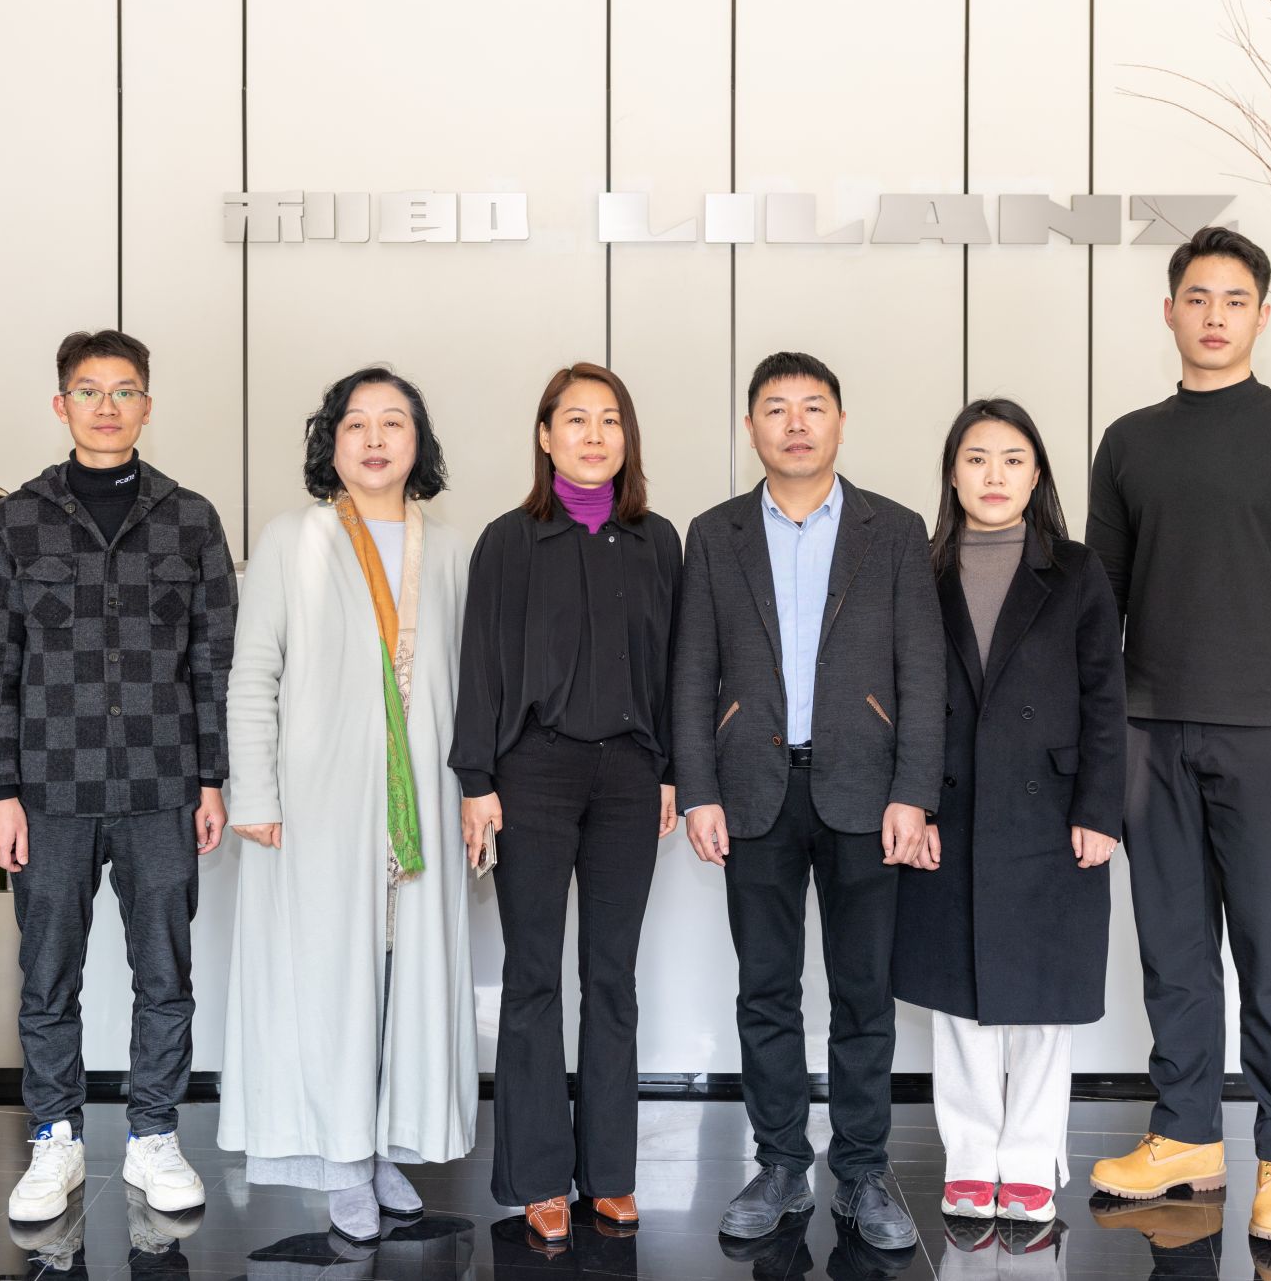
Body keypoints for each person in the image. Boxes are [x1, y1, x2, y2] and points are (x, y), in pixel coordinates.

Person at [1085, 227, 1271, 1247]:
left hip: (1266, 737)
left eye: (1234, 299)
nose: (1214, 315)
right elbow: (1100, 604)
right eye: (1197, 298)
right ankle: (1185, 1136)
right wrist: (1100, 739)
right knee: (1172, 949)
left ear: (1261, 314)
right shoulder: (1127, 442)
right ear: (1168, 311)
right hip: (1146, 733)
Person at [671, 350, 947, 1251]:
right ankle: (782, 1163)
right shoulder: (714, 534)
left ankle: (862, 1171)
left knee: (864, 992)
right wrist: (698, 790)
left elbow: (923, 672)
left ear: (839, 422)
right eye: (777, 407)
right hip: (752, 790)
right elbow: (691, 673)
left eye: (813, 406)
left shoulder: (893, 529)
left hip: (867, 792)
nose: (796, 423)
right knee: (766, 988)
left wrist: (915, 792)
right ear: (751, 425)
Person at [0, 329, 237, 1223]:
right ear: (62, 404)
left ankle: (154, 1133)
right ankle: (56, 1137)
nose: (107, 406)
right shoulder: (16, 522)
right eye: (89, 390)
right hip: (48, 789)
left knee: (166, 971)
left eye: (125, 391)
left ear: (147, 406)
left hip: (162, 784)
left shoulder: (192, 519)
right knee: (48, 974)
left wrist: (212, 777)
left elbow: (213, 662)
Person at [217, 366, 477, 1244]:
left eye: (392, 422)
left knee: (404, 976)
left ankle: (383, 1143)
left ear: (418, 443)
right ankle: (338, 1159)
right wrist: (255, 791)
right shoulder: (293, 537)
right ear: (330, 443)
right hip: (315, 798)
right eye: (355, 422)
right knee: (329, 976)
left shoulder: (448, 549)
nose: (373, 438)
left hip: (421, 795)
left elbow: (470, 683)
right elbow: (254, 671)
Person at [451, 363, 682, 1242]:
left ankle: (611, 1173)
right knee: (534, 973)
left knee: (612, 975)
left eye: (609, 419)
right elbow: (479, 666)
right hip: (533, 775)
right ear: (545, 437)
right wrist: (477, 780)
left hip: (629, 777)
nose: (593, 434)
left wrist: (671, 773)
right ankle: (541, 1175)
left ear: (628, 438)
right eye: (574, 419)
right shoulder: (509, 540)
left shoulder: (658, 541)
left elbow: (676, 667)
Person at [892, 399, 1126, 1226]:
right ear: (952, 473)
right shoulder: (919, 570)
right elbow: (899, 696)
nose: (994, 475)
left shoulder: (1078, 571)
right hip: (949, 807)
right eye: (977, 458)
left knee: (1041, 1000)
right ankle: (969, 1158)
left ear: (1037, 475)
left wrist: (1101, 807)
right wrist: (912, 803)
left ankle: (1027, 1159)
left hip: (1051, 812)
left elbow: (1105, 698)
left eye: (1013, 459)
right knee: (959, 1002)